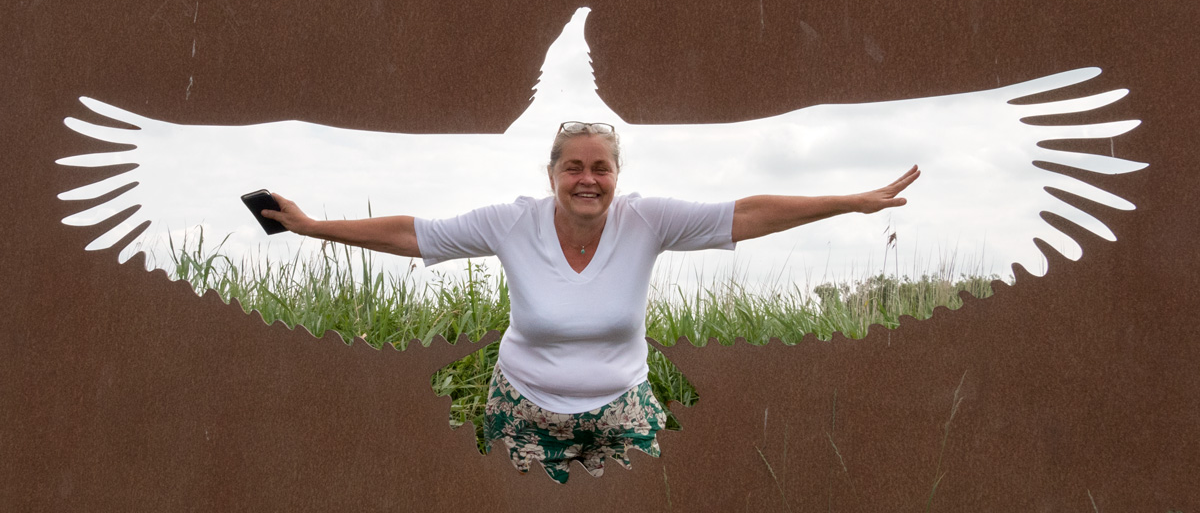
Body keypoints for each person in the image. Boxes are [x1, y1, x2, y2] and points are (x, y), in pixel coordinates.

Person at [263, 121, 919, 483]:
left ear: (617, 175)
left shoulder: (650, 220)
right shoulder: (509, 222)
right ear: (551, 176)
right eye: (573, 167)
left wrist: (852, 201)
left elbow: (747, 214)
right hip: (522, 406)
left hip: (624, 409)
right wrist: (313, 225)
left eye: (600, 167)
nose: (587, 179)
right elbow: (414, 233)